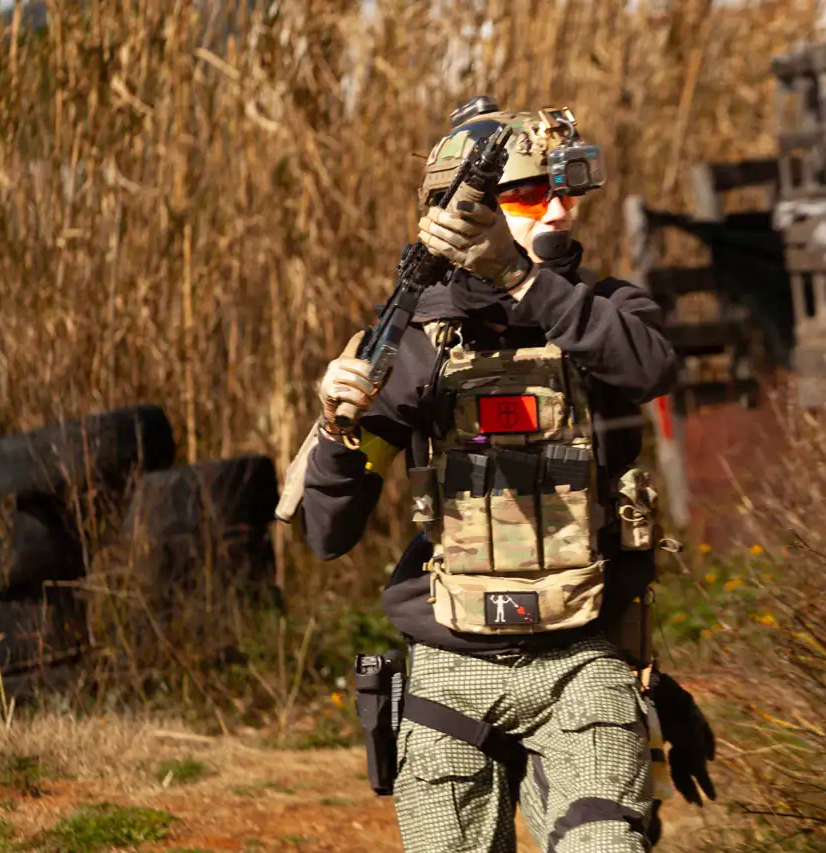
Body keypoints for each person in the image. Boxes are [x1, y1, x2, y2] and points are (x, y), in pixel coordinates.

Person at [300, 97, 716, 852]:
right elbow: (328, 532)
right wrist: (336, 429)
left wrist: (519, 276)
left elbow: (649, 368)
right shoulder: (413, 341)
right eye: (527, 195)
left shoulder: (607, 310)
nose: (557, 210)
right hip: (450, 670)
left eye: (566, 189)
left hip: (583, 660)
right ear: (463, 212)